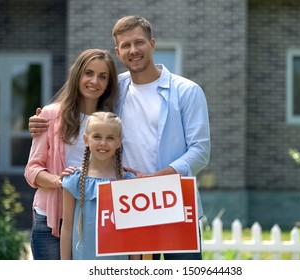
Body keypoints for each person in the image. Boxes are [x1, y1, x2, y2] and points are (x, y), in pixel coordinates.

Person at [29, 15, 211, 260]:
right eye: (126, 45)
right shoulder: (115, 89)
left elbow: (200, 152)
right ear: (118, 51)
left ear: (152, 44)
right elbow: (83, 114)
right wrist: (41, 122)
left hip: (172, 200)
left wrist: (153, 180)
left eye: (139, 43)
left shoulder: (187, 91)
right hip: (124, 205)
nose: (133, 50)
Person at [24, 49, 119, 260]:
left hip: (91, 221)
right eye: (89, 73)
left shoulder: (110, 122)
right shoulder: (50, 115)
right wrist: (63, 181)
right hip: (52, 220)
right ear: (77, 75)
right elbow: (32, 171)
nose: (94, 81)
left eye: (103, 76)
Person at [60, 111, 139, 260]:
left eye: (110, 138)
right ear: (86, 139)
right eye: (97, 136)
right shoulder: (74, 180)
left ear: (118, 142)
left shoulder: (128, 182)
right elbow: (67, 228)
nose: (103, 143)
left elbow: (134, 232)